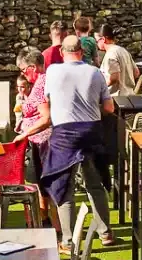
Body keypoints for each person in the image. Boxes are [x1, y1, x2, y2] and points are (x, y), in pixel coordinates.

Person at [25, 35, 116, 247]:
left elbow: (48, 101)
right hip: (91, 131)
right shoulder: (94, 72)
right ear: (82, 52)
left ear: (61, 53)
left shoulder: (52, 72)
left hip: (64, 134)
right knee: (94, 184)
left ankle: (68, 241)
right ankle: (105, 233)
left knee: (64, 186)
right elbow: (109, 108)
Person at [14, 46, 53, 181]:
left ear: (33, 67)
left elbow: (46, 118)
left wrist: (24, 134)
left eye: (24, 70)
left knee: (36, 180)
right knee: (36, 180)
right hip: (39, 141)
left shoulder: (41, 86)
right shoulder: (45, 79)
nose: (23, 74)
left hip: (43, 142)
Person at [97, 22, 139, 97]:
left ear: (103, 39)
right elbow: (136, 72)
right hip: (130, 96)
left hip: (116, 98)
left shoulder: (110, 54)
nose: (97, 43)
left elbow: (114, 77)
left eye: (97, 40)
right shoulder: (123, 50)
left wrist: (100, 88)